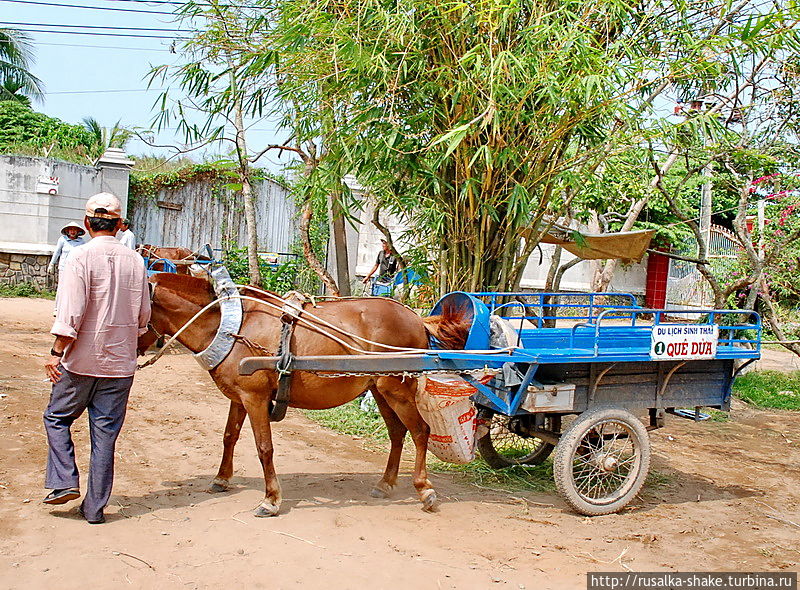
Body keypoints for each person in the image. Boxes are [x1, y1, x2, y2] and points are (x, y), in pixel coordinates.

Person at [42, 192, 151, 524]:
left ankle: (63, 482)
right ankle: (94, 509)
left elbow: (70, 314)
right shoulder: (136, 261)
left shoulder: (78, 257)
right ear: (119, 225)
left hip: (80, 363)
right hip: (120, 366)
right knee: (105, 435)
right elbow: (144, 318)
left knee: (56, 418)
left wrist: (56, 353)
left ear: (87, 224)